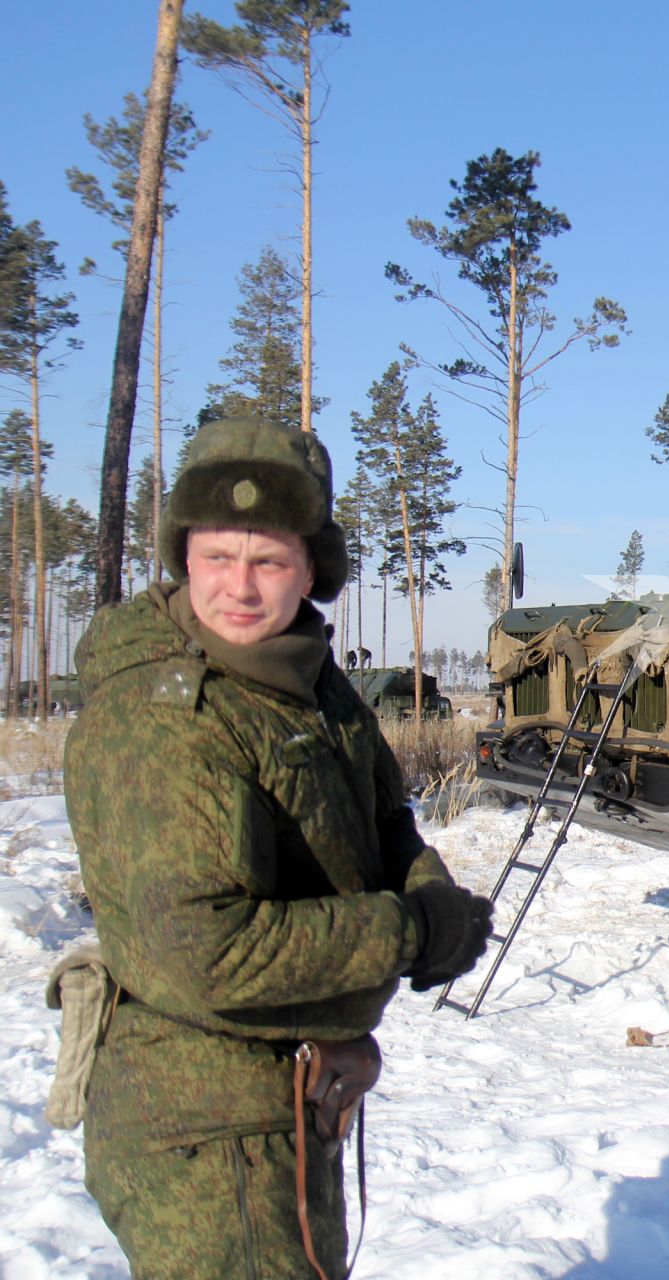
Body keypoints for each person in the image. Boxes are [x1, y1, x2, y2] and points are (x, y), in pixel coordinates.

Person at [66, 418, 494, 1277]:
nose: (240, 589)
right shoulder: (168, 717)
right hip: (206, 1134)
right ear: (182, 554)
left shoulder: (309, 682)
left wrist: (433, 895)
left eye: (268, 561)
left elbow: (382, 826)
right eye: (217, 556)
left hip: (285, 1107)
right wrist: (406, 934)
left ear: (314, 568)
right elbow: (206, 952)